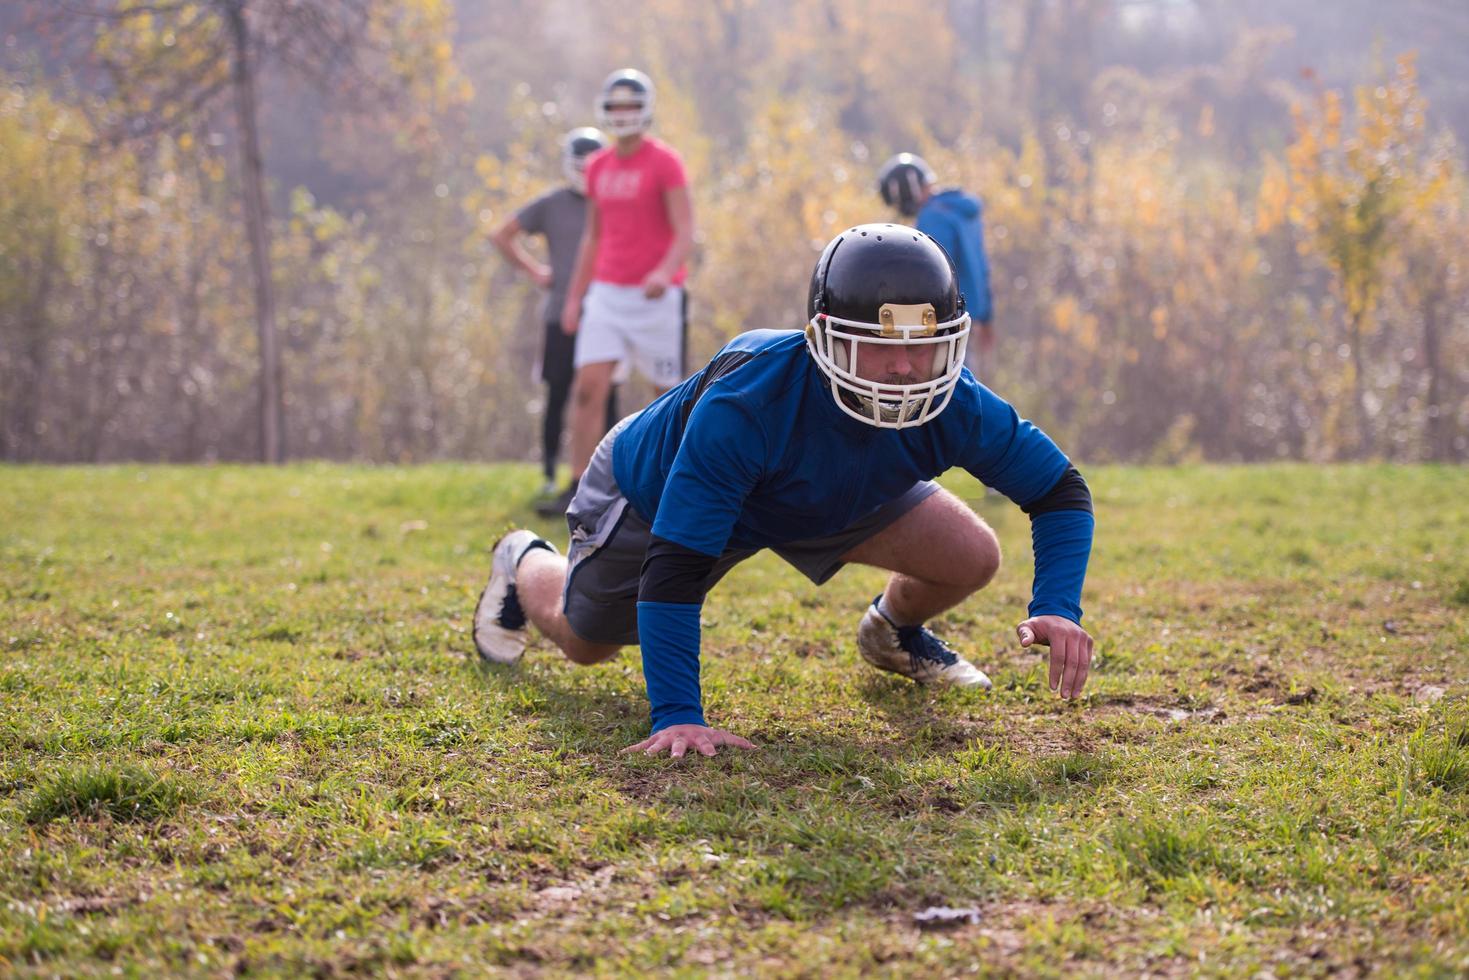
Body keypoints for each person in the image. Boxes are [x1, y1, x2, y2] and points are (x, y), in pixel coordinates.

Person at [473, 225, 1095, 761]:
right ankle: (524, 560)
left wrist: (1059, 605)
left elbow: (1059, 491)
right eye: (880, 347)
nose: (906, 368)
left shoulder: (954, 402)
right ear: (826, 339)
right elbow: (676, 569)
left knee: (970, 554)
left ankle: (891, 631)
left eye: (924, 346)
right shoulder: (748, 403)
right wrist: (678, 714)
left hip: (822, 489)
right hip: (656, 492)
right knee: (588, 643)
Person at [548, 67, 695, 518]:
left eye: (632, 104)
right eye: (616, 105)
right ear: (605, 111)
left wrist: (664, 271)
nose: (624, 113)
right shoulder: (597, 167)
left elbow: (685, 228)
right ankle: (579, 490)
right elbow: (593, 237)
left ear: (646, 109)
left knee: (665, 394)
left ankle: (674, 487)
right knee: (588, 388)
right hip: (607, 295)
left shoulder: (665, 162)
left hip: (655, 298)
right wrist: (575, 297)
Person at [490, 128, 621, 506]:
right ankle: (551, 475)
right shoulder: (552, 204)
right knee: (559, 391)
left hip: (607, 313)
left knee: (604, 395)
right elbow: (502, 234)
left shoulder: (614, 202)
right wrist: (536, 271)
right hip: (560, 314)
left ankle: (606, 479)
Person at [878, 153, 995, 377]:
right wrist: (987, 316)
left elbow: (929, 274)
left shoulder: (933, 216)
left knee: (949, 389)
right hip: (970, 316)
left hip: (946, 319)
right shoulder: (962, 211)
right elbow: (982, 268)